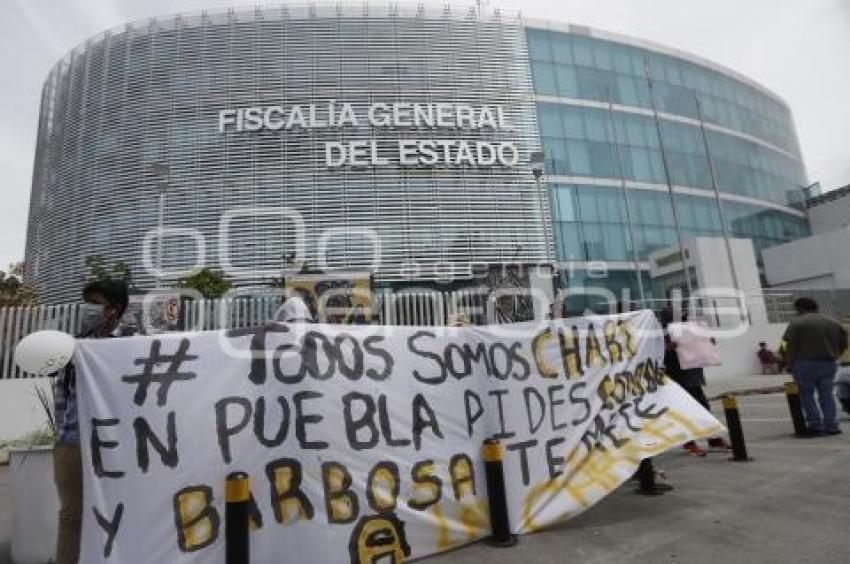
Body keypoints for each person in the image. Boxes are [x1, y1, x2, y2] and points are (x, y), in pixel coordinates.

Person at [53, 279, 130, 564]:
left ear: (114, 308)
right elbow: (61, 394)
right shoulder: (73, 346)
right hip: (72, 442)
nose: (88, 310)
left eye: (95, 303)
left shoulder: (133, 344)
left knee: (120, 510)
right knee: (71, 516)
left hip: (117, 443)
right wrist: (63, 433)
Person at [659, 308, 731, 456]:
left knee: (704, 408)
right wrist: (667, 349)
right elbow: (655, 357)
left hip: (693, 378)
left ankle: (714, 439)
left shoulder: (691, 330)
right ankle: (689, 444)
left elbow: (700, 347)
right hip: (677, 380)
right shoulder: (661, 336)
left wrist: (707, 341)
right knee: (684, 413)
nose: (683, 319)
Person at [782, 297, 848, 436]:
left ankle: (814, 425)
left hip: (804, 364)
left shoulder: (797, 323)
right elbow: (843, 343)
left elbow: (788, 345)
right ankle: (831, 425)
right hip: (828, 362)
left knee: (806, 395)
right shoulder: (833, 322)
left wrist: (788, 363)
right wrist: (835, 354)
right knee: (827, 394)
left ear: (800, 309)